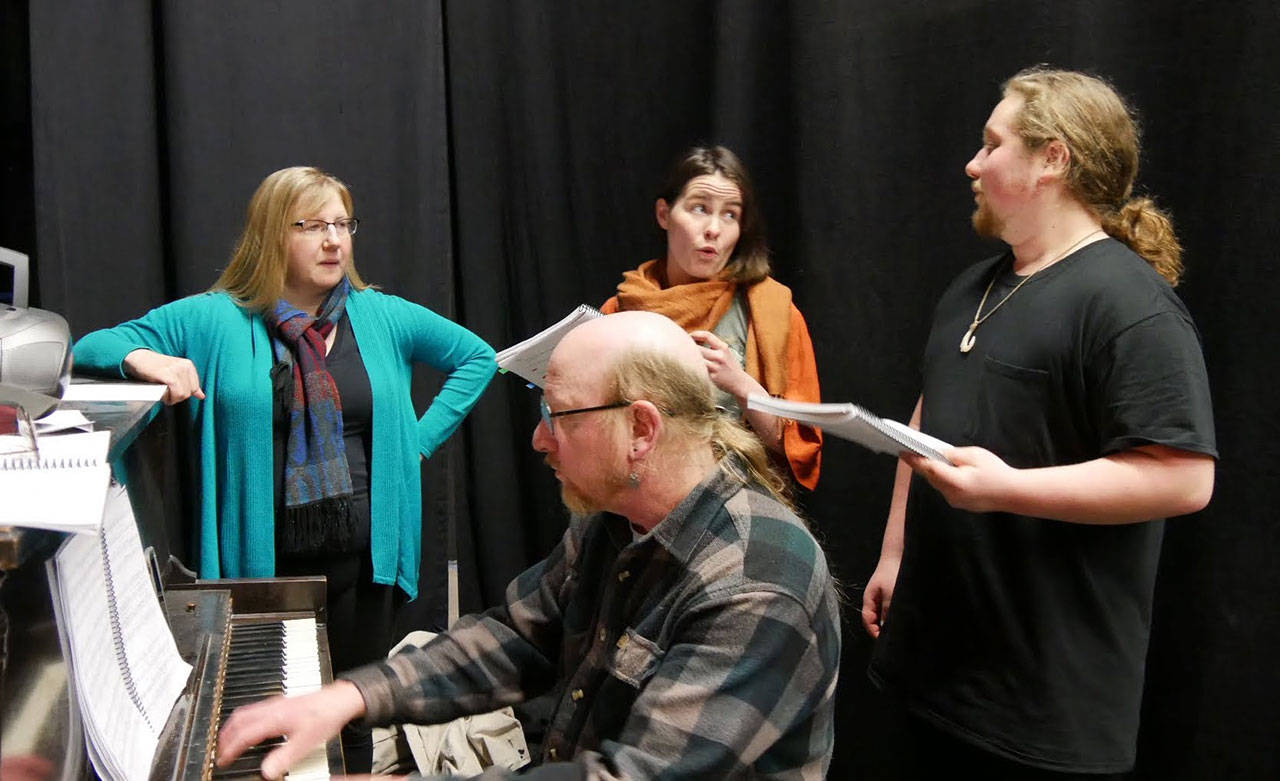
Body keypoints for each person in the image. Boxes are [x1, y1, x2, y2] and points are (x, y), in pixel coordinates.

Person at [216, 310, 842, 780]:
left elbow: (635, 776)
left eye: (558, 416)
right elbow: (518, 636)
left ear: (641, 430)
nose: (540, 441)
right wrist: (350, 697)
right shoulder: (615, 513)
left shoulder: (757, 582)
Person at [72, 166, 497, 771]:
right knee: (262, 719)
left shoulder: (381, 316)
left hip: (364, 559)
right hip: (262, 562)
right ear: (273, 235)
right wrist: (145, 359)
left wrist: (415, 446)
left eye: (343, 225)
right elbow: (92, 346)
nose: (334, 241)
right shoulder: (215, 319)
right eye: (313, 226)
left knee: (349, 711)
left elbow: (476, 359)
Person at [861, 67, 1217, 778]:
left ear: (1052, 158)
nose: (973, 162)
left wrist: (1008, 488)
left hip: (1041, 717)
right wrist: (896, 550)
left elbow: (1184, 479)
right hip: (932, 679)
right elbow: (933, 409)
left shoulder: (1128, 304)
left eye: (992, 144)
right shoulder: (976, 285)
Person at [601, 145, 823, 490]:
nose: (714, 229)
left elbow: (796, 452)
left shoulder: (773, 313)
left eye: (730, 215)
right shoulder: (620, 312)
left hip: (733, 502)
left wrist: (740, 384)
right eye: (700, 209)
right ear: (664, 214)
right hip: (633, 501)